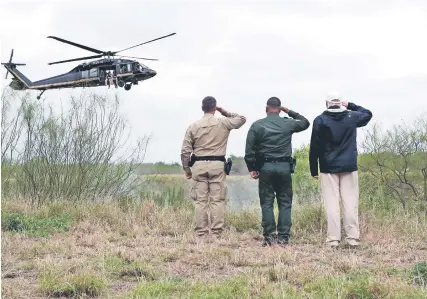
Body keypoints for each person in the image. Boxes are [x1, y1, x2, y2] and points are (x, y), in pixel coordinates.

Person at [309, 93, 372, 249]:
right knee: (350, 204)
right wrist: (350, 104)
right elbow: (368, 114)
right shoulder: (351, 117)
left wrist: (313, 169)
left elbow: (314, 146)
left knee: (332, 204)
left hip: (327, 166)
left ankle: (333, 240)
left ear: (327, 104)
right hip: (349, 165)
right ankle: (352, 239)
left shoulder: (320, 120)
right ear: (340, 104)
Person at [244, 97, 310, 247]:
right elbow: (305, 122)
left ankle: (269, 237)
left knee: (266, 202)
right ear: (279, 109)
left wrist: (252, 169)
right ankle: (284, 237)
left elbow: (249, 151)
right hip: (284, 168)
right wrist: (290, 111)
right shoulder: (288, 123)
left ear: (266, 108)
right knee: (285, 203)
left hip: (265, 168)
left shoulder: (257, 125)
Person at [181, 96, 246, 240]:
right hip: (217, 165)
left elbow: (185, 152)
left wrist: (187, 170)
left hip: (198, 166)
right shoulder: (223, 122)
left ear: (202, 108)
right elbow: (241, 119)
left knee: (201, 201)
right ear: (215, 108)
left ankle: (201, 234)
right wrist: (224, 112)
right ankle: (216, 234)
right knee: (217, 200)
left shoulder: (193, 126)